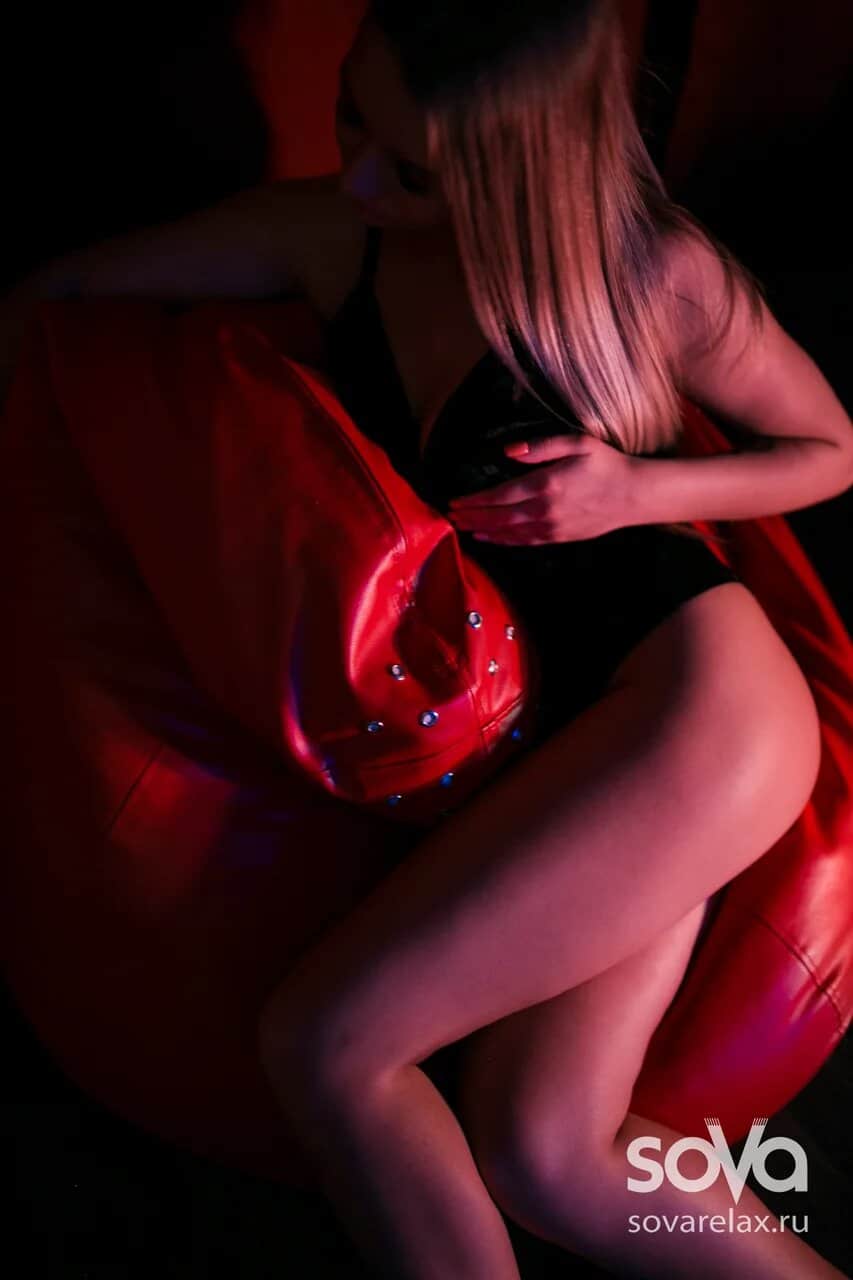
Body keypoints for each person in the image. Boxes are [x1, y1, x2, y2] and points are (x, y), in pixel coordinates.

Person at [3, 2, 852, 1276]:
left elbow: (830, 450)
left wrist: (637, 488)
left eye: (406, 168)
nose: (356, 175)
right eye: (351, 115)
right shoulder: (333, 235)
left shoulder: (652, 274)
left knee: (327, 1045)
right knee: (546, 1150)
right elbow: (70, 289)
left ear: (517, 170)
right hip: (588, 745)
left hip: (697, 714)